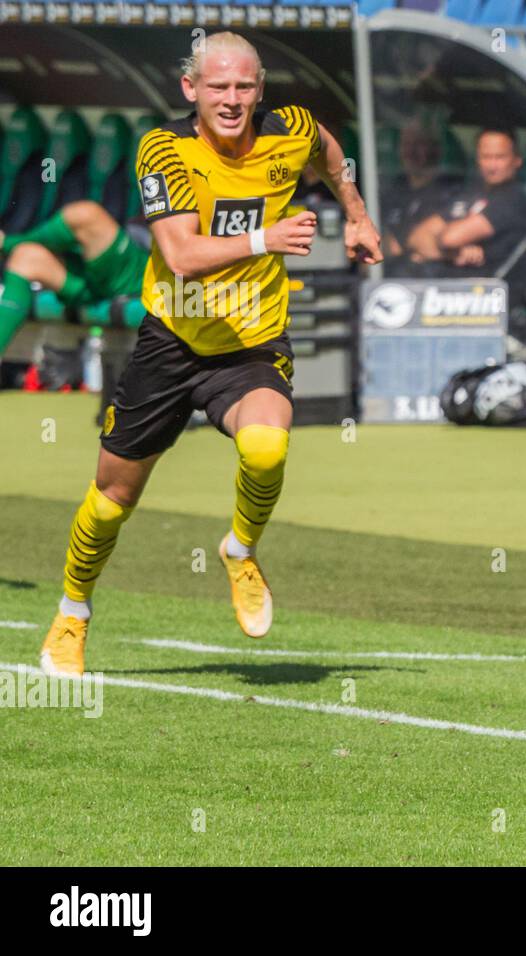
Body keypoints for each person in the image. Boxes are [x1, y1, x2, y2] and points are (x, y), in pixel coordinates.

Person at [38, 32, 383, 677]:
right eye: (218, 86)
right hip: (171, 342)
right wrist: (267, 236)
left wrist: (358, 216)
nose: (232, 99)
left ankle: (240, 548)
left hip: (251, 343)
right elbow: (182, 256)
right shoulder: (164, 149)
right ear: (190, 89)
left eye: (244, 87)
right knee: (112, 500)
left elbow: (333, 156)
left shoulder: (294, 129)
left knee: (267, 446)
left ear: (260, 90)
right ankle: (72, 612)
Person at [0, 200, 150, 355]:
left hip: (140, 276)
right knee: (26, 257)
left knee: (85, 214)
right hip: (95, 278)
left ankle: (6, 244)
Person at [401, 127, 526, 276]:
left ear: (517, 160)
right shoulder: (470, 194)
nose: (492, 166)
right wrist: (454, 255)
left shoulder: (514, 198)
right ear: (477, 160)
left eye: (500, 157)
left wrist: (430, 249)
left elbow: (449, 238)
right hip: (442, 288)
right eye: (486, 157)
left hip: (487, 291)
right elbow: (416, 237)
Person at [381, 119, 463, 276]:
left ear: (436, 150)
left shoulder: (452, 192)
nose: (411, 151)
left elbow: (447, 247)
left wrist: (402, 243)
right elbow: (377, 247)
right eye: (406, 144)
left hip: (436, 284)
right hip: (387, 282)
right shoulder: (391, 192)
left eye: (419, 144)